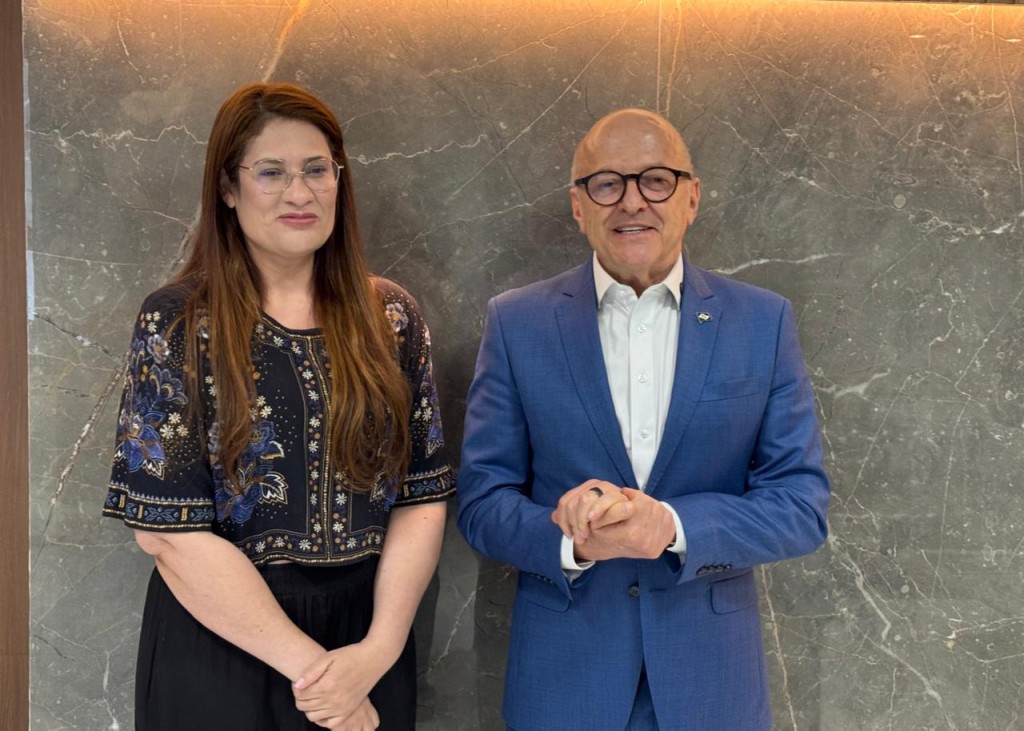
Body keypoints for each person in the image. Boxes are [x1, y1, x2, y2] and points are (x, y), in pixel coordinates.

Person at [456, 108, 830, 730]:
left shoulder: (763, 323)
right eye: (606, 183)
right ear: (578, 206)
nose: (632, 201)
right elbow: (481, 503)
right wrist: (570, 540)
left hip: (712, 688)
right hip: (562, 685)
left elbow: (801, 507)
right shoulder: (516, 324)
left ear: (692, 198)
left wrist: (674, 526)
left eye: (656, 180)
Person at [103, 82, 454, 731]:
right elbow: (167, 533)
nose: (300, 193)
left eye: (317, 170)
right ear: (228, 188)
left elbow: (421, 496)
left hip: (367, 643)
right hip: (223, 646)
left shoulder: (392, 318)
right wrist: (318, 675)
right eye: (271, 172)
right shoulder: (179, 322)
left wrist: (377, 651)